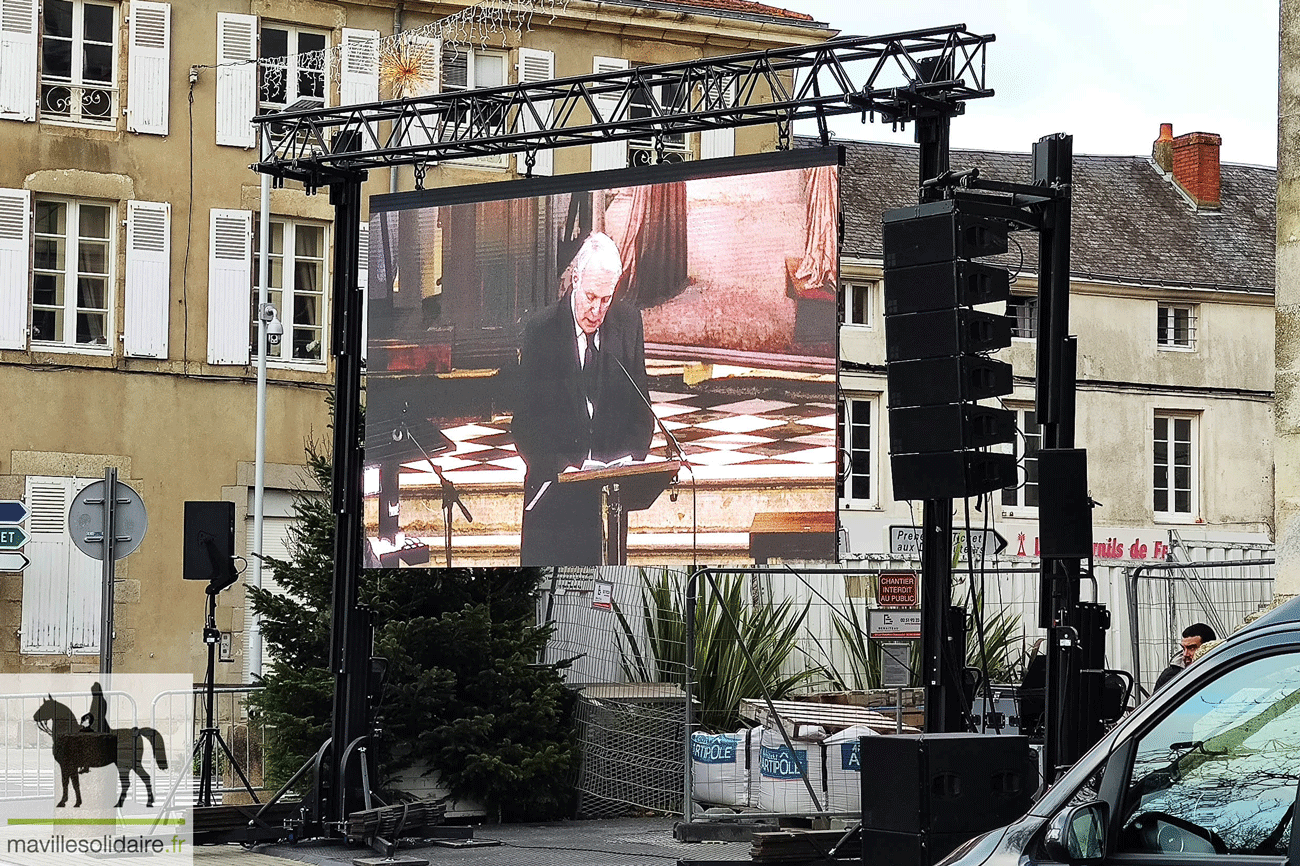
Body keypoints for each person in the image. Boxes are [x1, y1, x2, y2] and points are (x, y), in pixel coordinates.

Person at [512, 232, 655, 566]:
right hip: (554, 504)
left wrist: (625, 466)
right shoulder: (540, 330)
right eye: (591, 296)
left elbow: (642, 414)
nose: (597, 310)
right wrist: (566, 470)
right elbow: (525, 427)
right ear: (575, 279)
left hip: (608, 502)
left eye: (606, 299)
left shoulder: (628, 324)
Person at [1153, 622, 1217, 691]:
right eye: (1184, 648)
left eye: (1191, 648)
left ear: (1207, 648)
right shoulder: (1169, 676)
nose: (1185, 654)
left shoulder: (1222, 671)